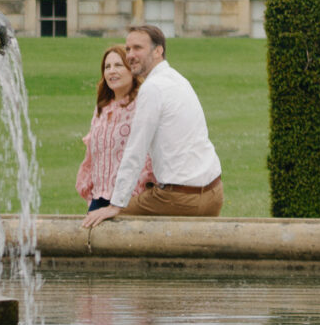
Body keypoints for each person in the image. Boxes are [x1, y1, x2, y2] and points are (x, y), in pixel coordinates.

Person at [80, 23, 222, 225]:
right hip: (214, 193)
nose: (130, 55)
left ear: (158, 51)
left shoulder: (152, 88)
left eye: (138, 48)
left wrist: (115, 205)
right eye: (128, 49)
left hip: (179, 198)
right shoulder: (178, 79)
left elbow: (135, 150)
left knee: (103, 220)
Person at [74, 45, 154, 213]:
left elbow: (148, 154)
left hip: (130, 200)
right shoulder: (102, 108)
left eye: (118, 65)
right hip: (99, 197)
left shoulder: (142, 105)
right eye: (107, 67)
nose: (111, 71)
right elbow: (92, 155)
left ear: (131, 70)